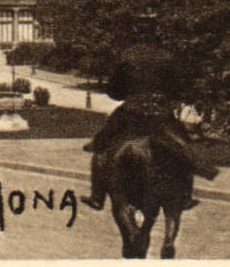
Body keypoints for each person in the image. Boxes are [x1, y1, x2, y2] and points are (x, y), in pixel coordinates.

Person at [80, 44, 216, 211]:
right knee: (183, 146)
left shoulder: (128, 55)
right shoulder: (167, 56)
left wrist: (127, 92)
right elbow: (178, 88)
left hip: (132, 111)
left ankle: (97, 197)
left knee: (101, 146)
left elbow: (115, 91)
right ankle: (185, 197)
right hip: (161, 113)